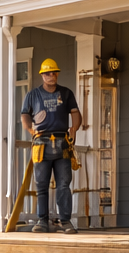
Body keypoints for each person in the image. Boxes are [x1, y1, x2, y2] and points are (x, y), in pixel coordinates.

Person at [20, 58, 83, 234]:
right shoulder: (33, 95)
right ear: (42, 75)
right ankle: (42, 220)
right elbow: (25, 114)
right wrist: (31, 130)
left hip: (63, 142)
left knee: (64, 183)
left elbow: (76, 113)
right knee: (41, 184)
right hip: (41, 143)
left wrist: (74, 128)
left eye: (54, 72)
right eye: (47, 73)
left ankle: (65, 221)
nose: (51, 75)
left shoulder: (66, 93)